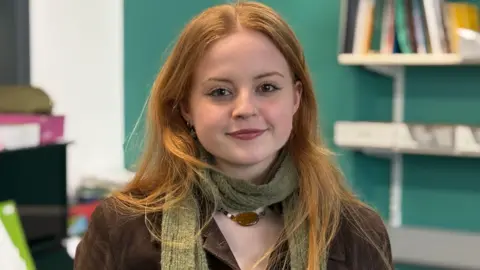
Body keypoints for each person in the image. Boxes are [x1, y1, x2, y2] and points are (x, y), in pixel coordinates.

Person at [74, 1, 393, 270]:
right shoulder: (121, 226)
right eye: (220, 91)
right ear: (186, 107)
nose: (245, 108)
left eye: (267, 87)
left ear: (295, 98)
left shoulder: (357, 232)